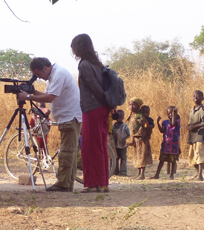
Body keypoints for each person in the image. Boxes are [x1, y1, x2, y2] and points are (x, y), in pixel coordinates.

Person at [17, 57, 82, 192]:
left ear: (45, 68)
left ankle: (63, 184)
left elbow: (50, 97)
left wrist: (28, 97)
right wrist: (32, 92)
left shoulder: (58, 74)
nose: (41, 78)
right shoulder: (55, 74)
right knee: (70, 151)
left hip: (69, 117)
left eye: (40, 75)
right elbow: (48, 95)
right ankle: (66, 183)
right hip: (67, 117)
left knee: (66, 152)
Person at [71, 34, 110, 193]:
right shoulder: (97, 64)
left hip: (92, 109)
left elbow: (94, 87)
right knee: (101, 145)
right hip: (102, 109)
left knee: (90, 146)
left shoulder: (84, 65)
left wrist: (104, 100)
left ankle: (94, 183)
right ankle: (103, 183)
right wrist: (109, 103)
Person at [187, 90, 204, 181]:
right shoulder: (192, 109)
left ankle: (200, 175)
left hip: (201, 136)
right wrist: (189, 126)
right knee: (193, 155)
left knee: (200, 155)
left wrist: (196, 126)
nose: (195, 98)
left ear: (202, 98)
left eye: (198, 96)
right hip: (193, 136)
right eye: (194, 96)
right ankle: (197, 173)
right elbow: (191, 121)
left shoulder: (202, 110)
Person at [152, 106, 180, 180]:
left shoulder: (177, 121)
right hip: (166, 144)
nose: (171, 114)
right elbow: (162, 131)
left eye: (172, 113)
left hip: (174, 144)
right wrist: (158, 123)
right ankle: (157, 174)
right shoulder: (164, 122)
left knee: (173, 160)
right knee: (161, 160)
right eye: (169, 113)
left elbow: (173, 123)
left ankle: (171, 175)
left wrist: (174, 115)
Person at [128, 104, 154, 180]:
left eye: (148, 112)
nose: (146, 114)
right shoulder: (138, 118)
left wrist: (147, 126)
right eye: (144, 112)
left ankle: (142, 174)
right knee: (138, 157)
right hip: (137, 140)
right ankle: (138, 173)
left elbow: (152, 125)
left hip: (143, 141)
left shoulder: (148, 120)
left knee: (143, 157)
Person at [112, 110, 130, 176]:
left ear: (123, 117)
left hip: (123, 145)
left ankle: (123, 171)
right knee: (116, 158)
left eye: (121, 117)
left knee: (123, 158)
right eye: (118, 117)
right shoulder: (113, 126)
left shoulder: (125, 126)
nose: (119, 118)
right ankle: (115, 171)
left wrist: (124, 139)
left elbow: (128, 134)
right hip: (115, 145)